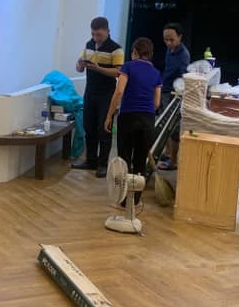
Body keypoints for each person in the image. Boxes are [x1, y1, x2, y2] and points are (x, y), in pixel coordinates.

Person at [104, 37, 162, 206]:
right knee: (140, 160)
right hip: (148, 119)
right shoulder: (156, 73)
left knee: (124, 158)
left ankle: (123, 199)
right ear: (150, 54)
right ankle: (134, 200)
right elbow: (157, 103)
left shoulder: (128, 67)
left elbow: (119, 92)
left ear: (135, 52)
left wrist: (109, 116)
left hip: (128, 117)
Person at [72, 16, 124, 178]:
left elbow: (118, 72)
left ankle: (103, 164)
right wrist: (80, 64)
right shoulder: (88, 45)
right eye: (93, 34)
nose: (96, 38)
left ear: (108, 31)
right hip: (90, 92)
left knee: (104, 129)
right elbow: (79, 68)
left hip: (107, 94)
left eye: (99, 34)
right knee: (89, 127)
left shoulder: (116, 49)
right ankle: (91, 160)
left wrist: (98, 68)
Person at [157, 22, 190, 170]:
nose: (168, 43)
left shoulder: (183, 55)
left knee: (173, 128)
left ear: (180, 37)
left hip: (174, 94)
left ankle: (173, 161)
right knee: (164, 124)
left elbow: (184, 77)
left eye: (171, 39)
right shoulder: (169, 50)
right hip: (165, 90)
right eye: (166, 39)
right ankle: (168, 152)